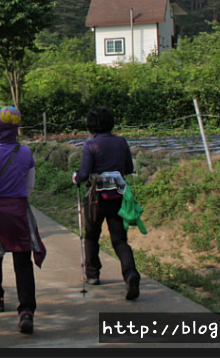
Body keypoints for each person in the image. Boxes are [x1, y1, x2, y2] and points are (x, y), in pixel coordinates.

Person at [0, 106, 46, 335]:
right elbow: (30, 186)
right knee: (23, 261)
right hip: (19, 211)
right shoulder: (26, 152)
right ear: (16, 128)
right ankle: (26, 311)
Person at [72, 106, 141, 300]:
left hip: (96, 198)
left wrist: (76, 177)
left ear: (90, 125)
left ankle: (92, 273)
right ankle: (130, 272)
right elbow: (129, 168)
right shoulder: (121, 142)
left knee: (92, 236)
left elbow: (84, 174)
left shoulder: (90, 145)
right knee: (119, 240)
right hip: (118, 197)